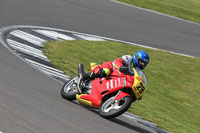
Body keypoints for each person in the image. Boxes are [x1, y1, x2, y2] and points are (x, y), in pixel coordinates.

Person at [83, 50, 150, 80]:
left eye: (144, 63)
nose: (142, 64)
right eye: (141, 62)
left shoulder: (138, 71)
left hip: (117, 78)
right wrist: (121, 67)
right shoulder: (129, 58)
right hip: (111, 67)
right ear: (137, 58)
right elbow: (117, 62)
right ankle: (87, 75)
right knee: (106, 71)